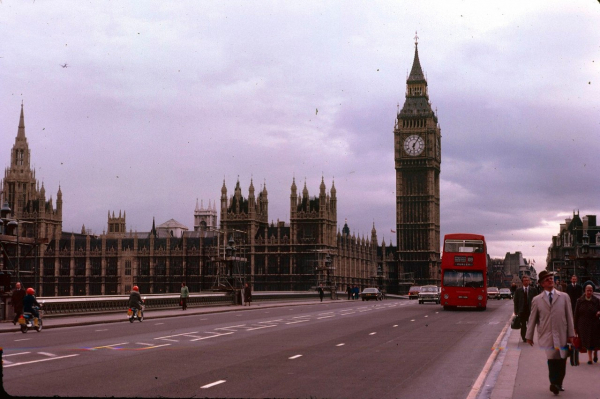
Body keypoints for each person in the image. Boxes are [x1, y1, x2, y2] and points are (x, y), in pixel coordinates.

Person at [526, 270, 575, 395]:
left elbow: (569, 317)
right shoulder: (537, 300)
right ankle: (554, 383)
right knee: (552, 359)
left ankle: (559, 383)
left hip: (562, 333)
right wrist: (529, 336)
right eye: (547, 279)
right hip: (547, 334)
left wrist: (571, 335)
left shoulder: (564, 297)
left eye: (551, 278)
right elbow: (532, 319)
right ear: (542, 284)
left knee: (562, 359)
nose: (550, 280)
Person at [574, 284, 600, 365]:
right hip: (583, 324)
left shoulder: (596, 300)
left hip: (594, 324)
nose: (589, 292)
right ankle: (589, 359)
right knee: (588, 341)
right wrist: (575, 327)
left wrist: (599, 312)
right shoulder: (579, 301)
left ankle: (595, 353)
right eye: (587, 290)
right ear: (585, 291)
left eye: (591, 290)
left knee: (594, 341)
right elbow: (576, 314)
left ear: (592, 291)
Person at [513, 276, 538, 342]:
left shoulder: (533, 290)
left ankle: (529, 337)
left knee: (530, 325)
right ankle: (524, 337)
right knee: (523, 325)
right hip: (522, 311)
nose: (526, 281)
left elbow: (536, 301)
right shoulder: (518, 291)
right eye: (525, 280)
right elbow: (516, 301)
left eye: (527, 280)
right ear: (522, 282)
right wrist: (516, 311)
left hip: (531, 310)